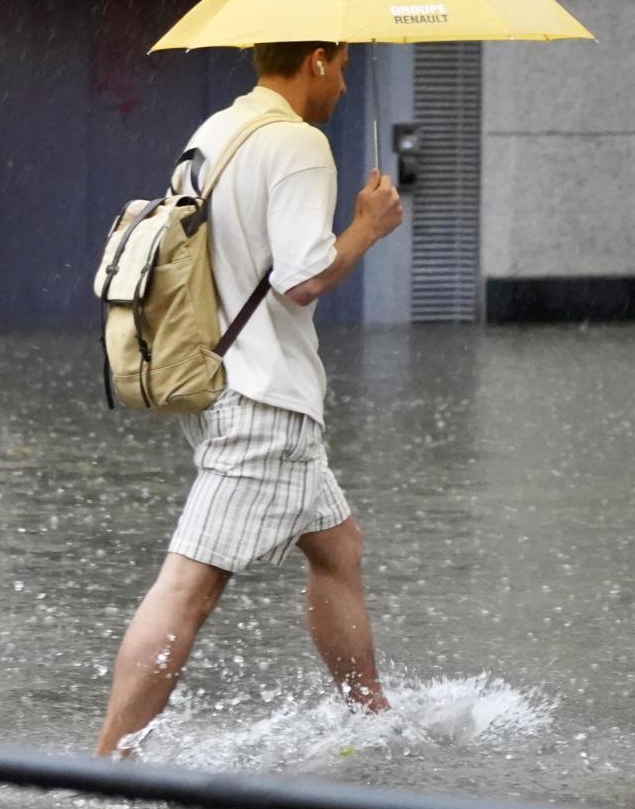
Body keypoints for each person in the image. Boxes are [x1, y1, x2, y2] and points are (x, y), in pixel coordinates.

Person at [93, 41, 404, 758]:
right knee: (188, 587)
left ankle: (373, 715)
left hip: (223, 380)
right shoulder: (297, 142)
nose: (348, 86)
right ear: (318, 58)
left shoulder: (217, 130)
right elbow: (302, 278)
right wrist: (367, 227)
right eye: (345, 67)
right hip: (265, 401)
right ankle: (109, 765)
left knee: (337, 546)